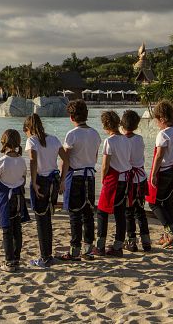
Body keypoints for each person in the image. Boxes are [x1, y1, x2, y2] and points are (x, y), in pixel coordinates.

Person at [58, 99, 102, 261]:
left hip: (75, 176)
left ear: (71, 117)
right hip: (90, 176)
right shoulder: (95, 134)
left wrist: (61, 180)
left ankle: (74, 250)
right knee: (88, 214)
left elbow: (65, 159)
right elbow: (95, 156)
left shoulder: (72, 134)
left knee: (74, 214)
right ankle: (88, 248)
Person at [23, 114, 68, 269]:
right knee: (48, 218)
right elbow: (66, 159)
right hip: (54, 181)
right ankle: (48, 254)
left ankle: (45, 257)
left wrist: (33, 182)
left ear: (28, 129)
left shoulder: (32, 140)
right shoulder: (54, 139)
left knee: (41, 219)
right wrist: (62, 181)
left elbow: (33, 161)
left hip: (41, 181)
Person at [145, 100, 173, 247]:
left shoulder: (163, 134)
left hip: (162, 172)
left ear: (162, 119)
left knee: (153, 203)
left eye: (157, 120)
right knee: (168, 203)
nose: (156, 123)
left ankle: (171, 230)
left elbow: (159, 156)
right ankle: (167, 236)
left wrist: (153, 174)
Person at [94, 110, 133, 257]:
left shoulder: (109, 141)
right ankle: (118, 246)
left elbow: (105, 164)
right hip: (125, 178)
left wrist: (103, 179)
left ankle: (100, 245)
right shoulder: (126, 139)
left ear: (105, 125)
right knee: (120, 213)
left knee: (102, 212)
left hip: (113, 179)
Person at [0, 129, 30, 273]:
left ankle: (9, 262)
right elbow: (24, 178)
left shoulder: (1, 161)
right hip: (18, 196)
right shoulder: (21, 160)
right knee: (17, 229)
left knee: (7, 230)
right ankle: (17, 259)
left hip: (5, 196)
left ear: (4, 142)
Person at [121, 109, 151, 252]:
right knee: (140, 210)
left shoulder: (122, 140)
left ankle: (131, 241)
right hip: (140, 177)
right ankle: (146, 241)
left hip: (128, 179)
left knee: (128, 211)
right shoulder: (139, 139)